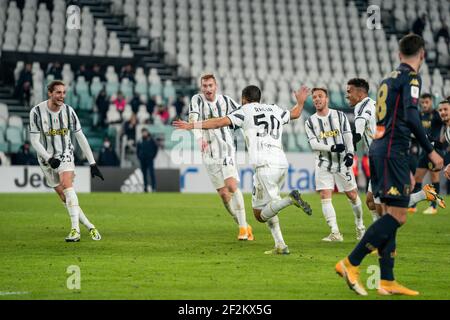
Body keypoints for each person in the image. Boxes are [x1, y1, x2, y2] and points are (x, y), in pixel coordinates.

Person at [335, 34, 446, 296]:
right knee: (398, 215)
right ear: (421, 55)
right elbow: (410, 115)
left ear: (398, 55)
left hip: (380, 149)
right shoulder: (411, 78)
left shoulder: (387, 79)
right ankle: (350, 263)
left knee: (388, 213)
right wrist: (431, 151)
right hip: (394, 151)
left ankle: (387, 279)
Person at [174, 85, 312, 254]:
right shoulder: (275, 109)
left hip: (264, 165)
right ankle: (280, 245)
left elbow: (218, 122)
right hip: (282, 163)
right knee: (270, 205)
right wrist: (300, 102)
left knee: (259, 214)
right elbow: (296, 113)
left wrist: (192, 126)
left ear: (244, 99)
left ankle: (290, 200)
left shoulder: (245, 110)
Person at [29, 80, 104, 242]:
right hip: (46, 158)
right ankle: (90, 225)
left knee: (67, 184)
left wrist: (92, 163)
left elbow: (80, 137)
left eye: (64, 93)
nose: (62, 96)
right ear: (50, 93)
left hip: (65, 154)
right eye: (58, 92)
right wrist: (49, 158)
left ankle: (75, 231)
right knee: (64, 196)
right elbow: (35, 141)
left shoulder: (69, 112)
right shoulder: (36, 112)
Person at [184, 74, 254, 241]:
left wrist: (251, 137)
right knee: (223, 194)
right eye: (205, 86)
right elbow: (192, 121)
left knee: (231, 185)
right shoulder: (196, 100)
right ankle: (242, 224)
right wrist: (200, 139)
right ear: (201, 87)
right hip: (208, 154)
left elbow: (245, 115)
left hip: (226, 149)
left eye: (210, 85)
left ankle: (243, 228)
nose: (207, 89)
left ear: (216, 86)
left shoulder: (227, 101)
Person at [305, 87, 365, 242]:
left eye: (320, 96)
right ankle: (335, 232)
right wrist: (331, 147)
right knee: (325, 195)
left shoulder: (339, 116)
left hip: (342, 162)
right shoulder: (310, 121)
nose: (317, 99)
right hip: (323, 163)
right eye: (314, 97)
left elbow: (347, 137)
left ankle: (360, 226)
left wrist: (350, 154)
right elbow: (313, 144)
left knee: (352, 195)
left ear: (327, 99)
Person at [346, 78, 379, 222]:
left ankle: (423, 194)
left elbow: (357, 133)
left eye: (349, 91)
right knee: (371, 201)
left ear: (360, 94)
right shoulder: (374, 104)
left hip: (381, 156)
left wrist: (347, 148)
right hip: (380, 155)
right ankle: (378, 230)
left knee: (384, 202)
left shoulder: (361, 106)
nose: (347, 95)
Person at [409, 93, 446, 214]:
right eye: (422, 103)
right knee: (417, 177)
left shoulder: (437, 115)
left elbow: (446, 123)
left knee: (434, 177)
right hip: (425, 151)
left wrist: (443, 141)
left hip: (435, 151)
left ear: (431, 102)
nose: (424, 105)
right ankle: (413, 204)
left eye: (427, 102)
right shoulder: (420, 115)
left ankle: (434, 206)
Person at [137, 128, 158, 192]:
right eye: (143, 132)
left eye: (145, 132)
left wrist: (152, 156)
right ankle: (145, 187)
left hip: (150, 159)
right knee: (144, 174)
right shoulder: (140, 140)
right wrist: (139, 157)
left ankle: (153, 188)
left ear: (147, 132)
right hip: (143, 160)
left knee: (151, 174)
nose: (144, 133)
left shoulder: (151, 140)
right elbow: (137, 150)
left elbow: (156, 148)